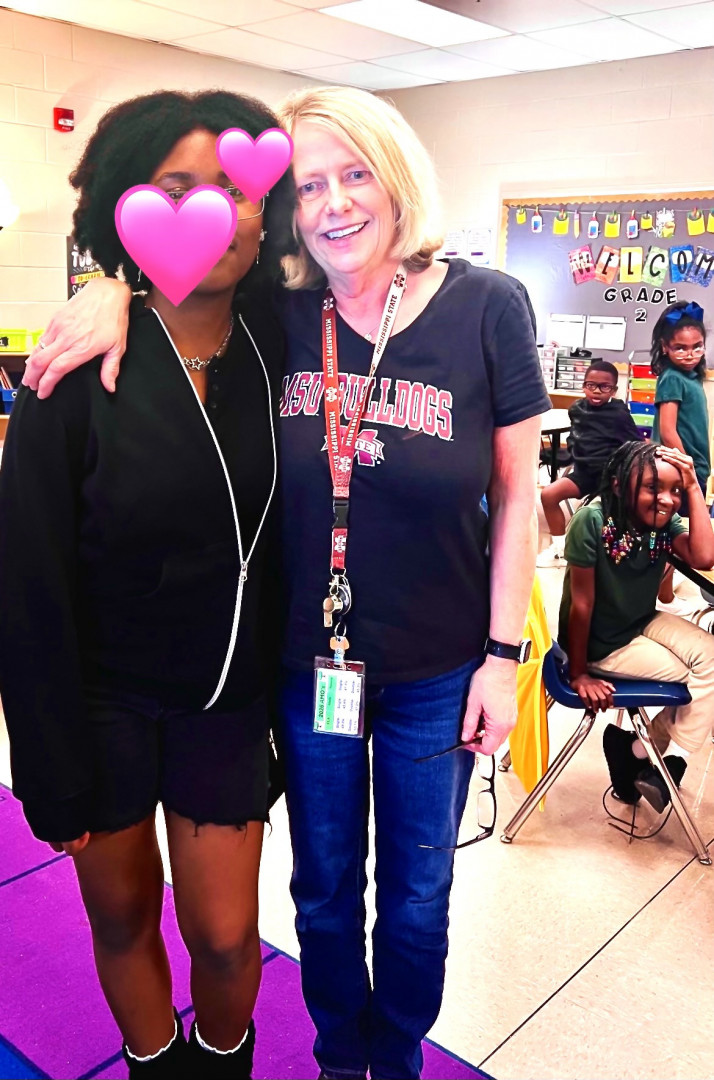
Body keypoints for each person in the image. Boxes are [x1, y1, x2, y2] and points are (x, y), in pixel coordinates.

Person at [21, 85, 551, 1080]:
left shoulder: (411, 313)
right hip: (239, 682)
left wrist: (503, 655)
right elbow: (31, 580)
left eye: (355, 174)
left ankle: (364, 1059)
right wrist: (108, 287)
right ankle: (269, 1061)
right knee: (301, 896)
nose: (332, 203)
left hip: (364, 680)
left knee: (381, 907)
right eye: (308, 185)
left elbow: (519, 493)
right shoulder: (218, 331)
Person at [0, 89, 295, 1079]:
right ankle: (153, 1064)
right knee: (123, 915)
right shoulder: (74, 375)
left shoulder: (281, 349)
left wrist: (111, 285)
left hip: (226, 701)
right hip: (102, 702)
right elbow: (28, 583)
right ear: (128, 204)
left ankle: (221, 1063)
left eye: (232, 189)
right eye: (176, 188)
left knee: (226, 934)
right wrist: (46, 760)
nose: (211, 211)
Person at [558, 440, 714, 813]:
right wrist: (579, 674)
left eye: (675, 490)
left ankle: (644, 752)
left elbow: (704, 556)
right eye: (653, 488)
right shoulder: (592, 521)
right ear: (618, 484)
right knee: (704, 681)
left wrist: (694, 487)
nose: (667, 499)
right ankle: (655, 759)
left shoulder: (664, 524)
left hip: (640, 620)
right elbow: (582, 605)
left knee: (710, 662)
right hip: (602, 642)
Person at [537, 360, 642, 567]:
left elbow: (637, 445)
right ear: (584, 385)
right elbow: (578, 437)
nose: (596, 391)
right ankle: (560, 549)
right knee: (548, 495)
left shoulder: (619, 415)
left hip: (611, 478)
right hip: (585, 474)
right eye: (591, 385)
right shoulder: (577, 409)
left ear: (614, 390)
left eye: (604, 387)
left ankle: (620, 554)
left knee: (601, 516)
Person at [651, 300, 710, 508]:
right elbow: (667, 432)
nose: (690, 355)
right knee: (683, 524)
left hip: (694, 466)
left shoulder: (691, 377)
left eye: (697, 347)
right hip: (680, 470)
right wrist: (687, 469)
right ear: (665, 347)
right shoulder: (672, 377)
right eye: (680, 348)